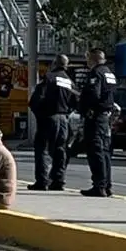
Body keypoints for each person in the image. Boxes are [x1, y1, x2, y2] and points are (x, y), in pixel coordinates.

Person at [28, 53, 78, 191]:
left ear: (54, 64)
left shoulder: (49, 78)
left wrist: (41, 114)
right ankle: (58, 180)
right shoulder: (69, 81)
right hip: (63, 119)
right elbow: (75, 101)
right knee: (60, 150)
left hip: (49, 118)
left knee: (42, 149)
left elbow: (35, 101)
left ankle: (42, 181)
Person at [79, 47, 118, 197]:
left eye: (88, 58)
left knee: (95, 152)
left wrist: (86, 108)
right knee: (105, 152)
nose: (87, 61)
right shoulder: (110, 73)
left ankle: (99, 186)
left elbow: (93, 93)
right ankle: (107, 185)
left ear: (94, 59)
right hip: (106, 117)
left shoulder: (96, 73)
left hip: (95, 117)